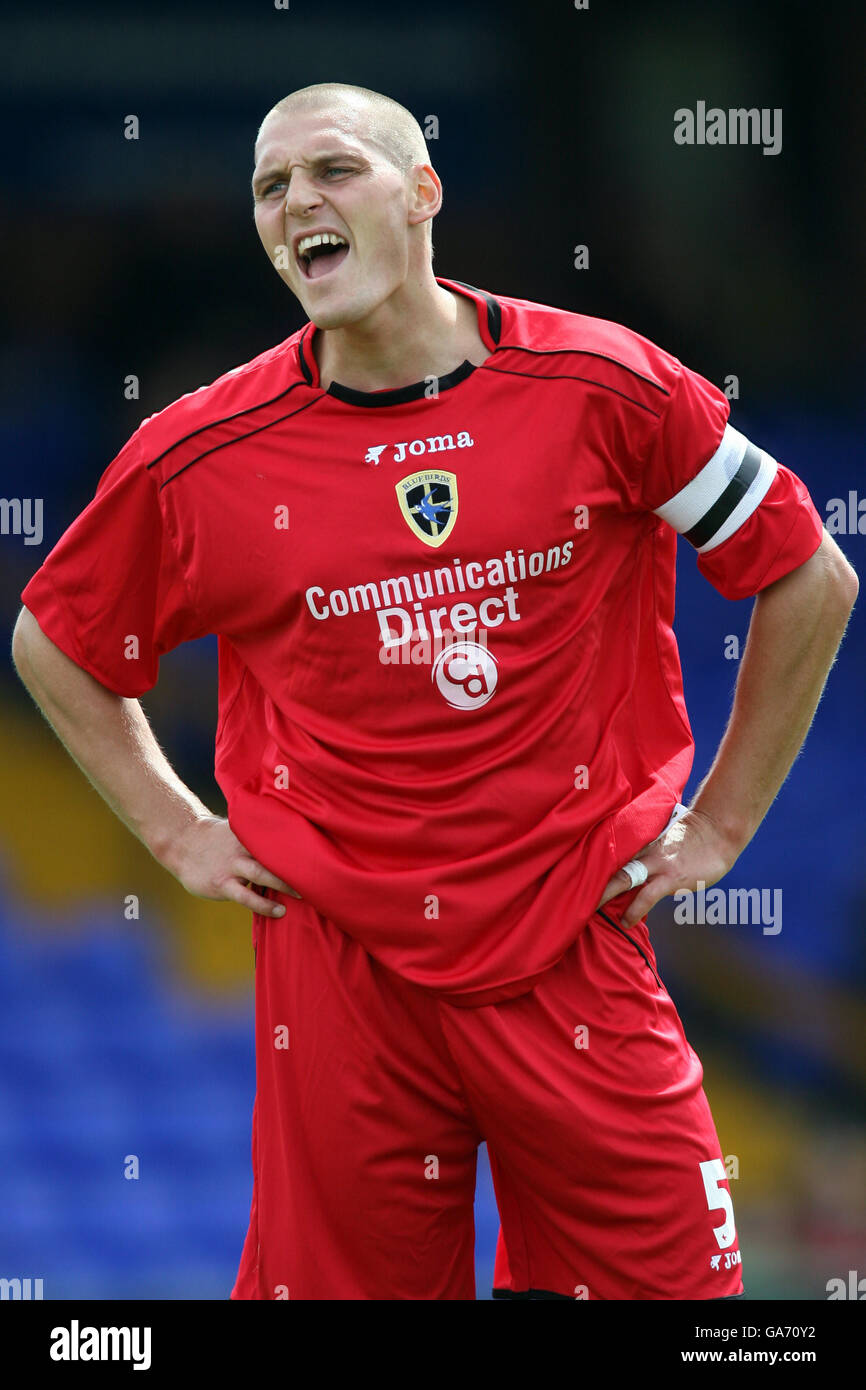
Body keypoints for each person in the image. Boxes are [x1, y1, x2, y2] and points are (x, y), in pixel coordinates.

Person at [12, 82, 858, 1301]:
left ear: (423, 195)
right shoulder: (203, 451)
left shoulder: (604, 385)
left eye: (333, 169)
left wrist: (722, 823)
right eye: (268, 185)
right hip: (339, 965)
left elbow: (805, 574)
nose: (296, 199)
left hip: (574, 938)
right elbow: (56, 636)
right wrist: (176, 827)